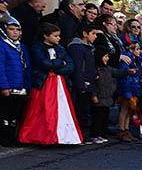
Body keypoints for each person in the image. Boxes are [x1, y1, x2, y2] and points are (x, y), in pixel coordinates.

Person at [18, 22, 81, 145]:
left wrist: (55, 67)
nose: (59, 38)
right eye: (55, 36)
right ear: (46, 36)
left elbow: (71, 65)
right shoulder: (36, 48)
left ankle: (64, 136)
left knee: (61, 109)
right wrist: (59, 63)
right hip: (44, 82)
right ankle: (41, 135)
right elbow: (43, 63)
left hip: (59, 83)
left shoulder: (60, 48)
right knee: (41, 110)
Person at [67, 22, 100, 143]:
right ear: (84, 34)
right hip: (82, 83)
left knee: (86, 110)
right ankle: (81, 135)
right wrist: (80, 84)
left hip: (89, 81)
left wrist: (94, 73)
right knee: (81, 110)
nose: (95, 36)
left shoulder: (89, 47)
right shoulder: (76, 47)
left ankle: (85, 134)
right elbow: (79, 67)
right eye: (93, 33)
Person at [0, 17, 31, 147]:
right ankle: (5, 139)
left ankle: (13, 137)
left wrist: (27, 86)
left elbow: (26, 67)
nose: (15, 32)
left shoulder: (22, 47)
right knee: (5, 114)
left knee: (15, 114)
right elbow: (1, 67)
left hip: (20, 86)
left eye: (17, 30)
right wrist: (4, 86)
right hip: (9, 87)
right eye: (11, 29)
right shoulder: (2, 46)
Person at [90, 52, 124, 143]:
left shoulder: (108, 69)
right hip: (99, 96)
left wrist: (127, 71)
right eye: (105, 56)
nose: (107, 58)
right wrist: (93, 95)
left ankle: (101, 133)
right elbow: (93, 84)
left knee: (104, 117)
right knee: (97, 117)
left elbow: (117, 72)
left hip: (107, 96)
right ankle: (95, 134)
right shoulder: (96, 70)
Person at [116, 41, 142, 140]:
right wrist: (127, 92)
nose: (139, 51)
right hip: (127, 87)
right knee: (124, 109)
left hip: (134, 87)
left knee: (130, 110)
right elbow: (125, 76)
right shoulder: (126, 61)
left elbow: (140, 72)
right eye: (136, 49)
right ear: (131, 50)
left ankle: (127, 130)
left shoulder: (137, 59)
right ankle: (121, 130)